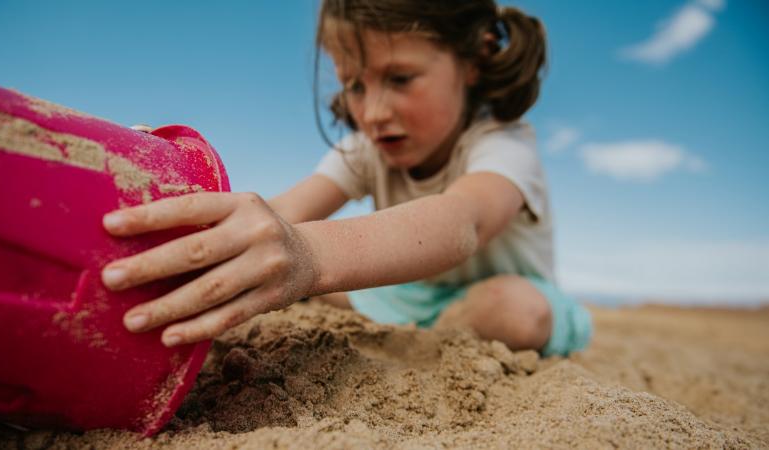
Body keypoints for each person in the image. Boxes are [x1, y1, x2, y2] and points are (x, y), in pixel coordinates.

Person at [101, 0, 592, 357]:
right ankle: (413, 330)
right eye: (355, 84)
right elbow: (282, 216)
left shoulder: (503, 144)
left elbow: (461, 223)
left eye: (399, 78)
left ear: (474, 60)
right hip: (406, 295)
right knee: (281, 269)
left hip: (500, 292)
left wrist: (309, 256)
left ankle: (423, 345)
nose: (373, 112)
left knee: (512, 310)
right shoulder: (363, 149)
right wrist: (201, 234)